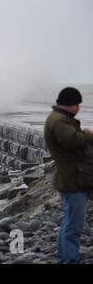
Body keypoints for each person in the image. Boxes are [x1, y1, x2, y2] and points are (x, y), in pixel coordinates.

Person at [43, 87, 93, 264]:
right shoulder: (59, 121)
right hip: (73, 181)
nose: (79, 108)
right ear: (69, 104)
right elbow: (72, 141)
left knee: (69, 222)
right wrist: (87, 134)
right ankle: (69, 260)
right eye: (77, 104)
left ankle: (64, 257)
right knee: (73, 226)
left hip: (74, 179)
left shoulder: (59, 119)